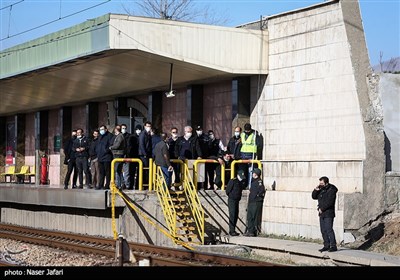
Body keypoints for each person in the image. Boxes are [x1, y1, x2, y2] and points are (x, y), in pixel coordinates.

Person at [312, 176, 338, 252]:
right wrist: (315, 190)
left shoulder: (331, 190)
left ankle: (333, 246)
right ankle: (326, 245)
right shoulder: (321, 189)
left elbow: (330, 202)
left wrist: (322, 209)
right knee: (323, 230)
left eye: (322, 183)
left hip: (328, 213)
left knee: (329, 229)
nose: (320, 184)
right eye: (320, 183)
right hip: (322, 214)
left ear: (326, 183)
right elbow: (314, 197)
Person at [244, 168, 265, 237]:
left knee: (254, 217)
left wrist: (257, 196)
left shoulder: (259, 182)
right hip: (251, 201)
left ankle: (253, 231)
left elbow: (261, 191)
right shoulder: (253, 181)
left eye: (253, 173)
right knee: (249, 217)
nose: (252, 174)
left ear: (256, 174)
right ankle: (250, 230)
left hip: (255, 202)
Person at [225, 169, 247, 236]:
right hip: (232, 200)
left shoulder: (241, 182)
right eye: (240, 177)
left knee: (236, 215)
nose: (241, 178)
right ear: (237, 175)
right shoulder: (233, 181)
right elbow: (227, 190)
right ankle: (231, 231)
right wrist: (232, 196)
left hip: (237, 200)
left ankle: (233, 229)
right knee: (232, 215)